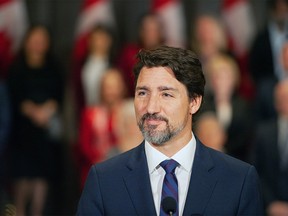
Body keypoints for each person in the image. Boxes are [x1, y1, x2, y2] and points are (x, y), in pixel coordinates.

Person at [77, 46, 263, 215]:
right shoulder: (104, 181)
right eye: (142, 93)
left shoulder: (238, 180)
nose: (151, 107)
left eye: (166, 94)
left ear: (194, 102)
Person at [7, 25, 64, 215]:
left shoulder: (54, 67)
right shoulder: (16, 68)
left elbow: (59, 96)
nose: (38, 43)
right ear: (26, 41)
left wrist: (45, 112)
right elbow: (14, 98)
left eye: (42, 39)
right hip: (21, 133)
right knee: (23, 175)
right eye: (34, 38)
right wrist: (33, 112)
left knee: (42, 175)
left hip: (45, 131)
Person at [78, 68, 127, 188]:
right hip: (96, 172)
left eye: (115, 86)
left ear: (122, 88)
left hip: (124, 172)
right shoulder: (90, 114)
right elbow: (84, 146)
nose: (111, 91)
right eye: (108, 87)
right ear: (101, 89)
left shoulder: (130, 113)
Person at [251, 79, 288, 216]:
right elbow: (255, 170)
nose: (285, 101)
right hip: (268, 207)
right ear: (275, 102)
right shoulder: (263, 132)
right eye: (282, 97)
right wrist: (270, 203)